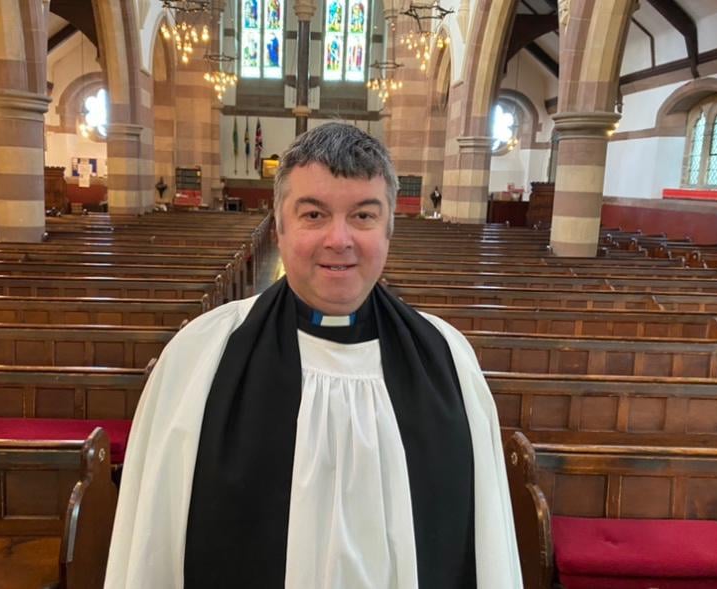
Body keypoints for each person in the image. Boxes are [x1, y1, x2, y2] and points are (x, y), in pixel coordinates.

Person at [105, 122, 521, 588]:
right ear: (279, 227)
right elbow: (151, 544)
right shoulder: (200, 357)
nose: (338, 239)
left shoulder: (447, 361)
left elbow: (488, 544)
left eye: (363, 216)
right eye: (313, 214)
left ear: (389, 229)